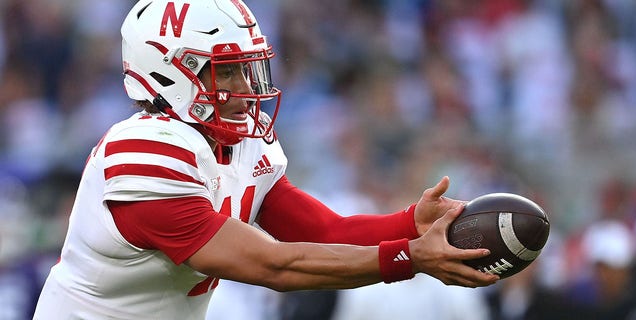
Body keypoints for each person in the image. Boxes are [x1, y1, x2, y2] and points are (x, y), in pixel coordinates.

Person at [32, 0, 498, 319]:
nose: (245, 88)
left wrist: (408, 223)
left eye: (247, 67)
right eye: (226, 71)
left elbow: (323, 234)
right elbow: (275, 266)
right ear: (168, 71)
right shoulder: (145, 153)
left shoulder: (238, 145)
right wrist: (409, 258)